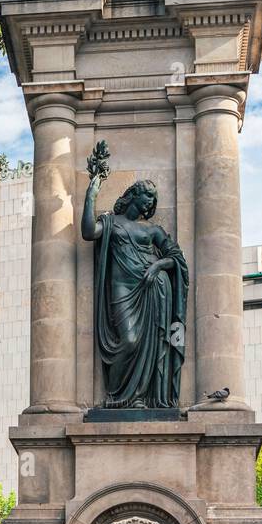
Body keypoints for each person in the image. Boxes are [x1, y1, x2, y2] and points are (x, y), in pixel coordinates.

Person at [82, 172, 188, 409]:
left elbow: (177, 259)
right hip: (123, 288)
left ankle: (138, 396)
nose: (150, 201)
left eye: (154, 198)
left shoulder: (153, 231)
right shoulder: (111, 222)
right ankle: (117, 396)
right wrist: (91, 194)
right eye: (147, 195)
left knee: (148, 343)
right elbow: (88, 232)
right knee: (129, 340)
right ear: (133, 195)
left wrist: (158, 265)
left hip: (152, 292)